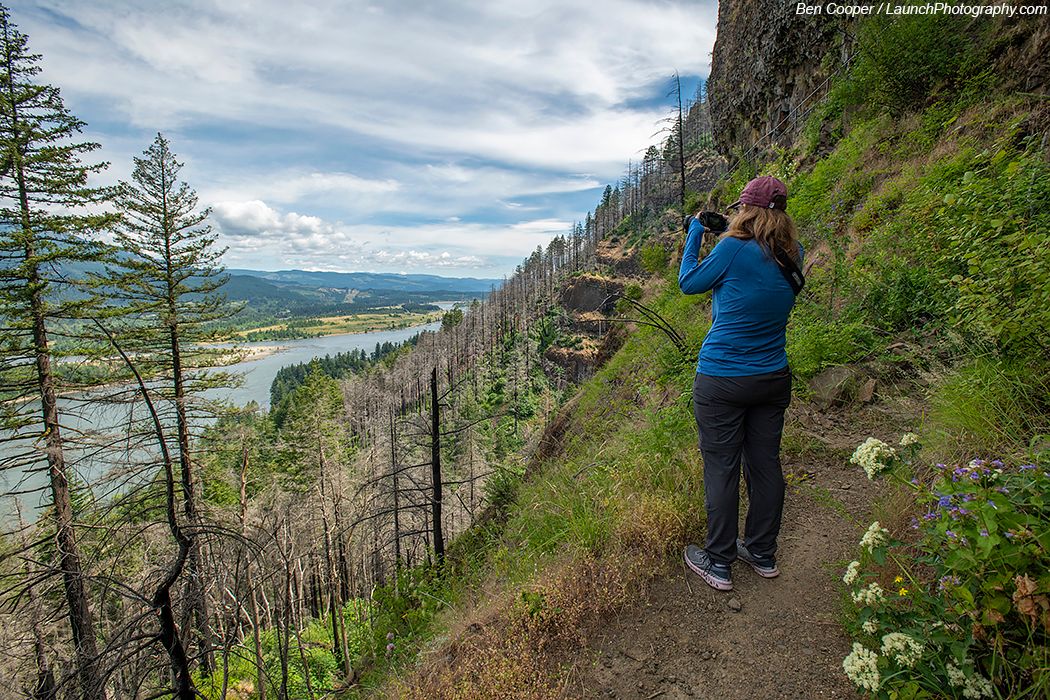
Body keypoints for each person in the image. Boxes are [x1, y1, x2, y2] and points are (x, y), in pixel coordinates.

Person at [678, 175, 803, 592]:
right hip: (772, 376)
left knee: (722, 467)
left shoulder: (732, 248)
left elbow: (689, 282)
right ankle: (762, 553)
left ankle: (718, 562)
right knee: (765, 465)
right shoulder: (793, 253)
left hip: (722, 378)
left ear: (745, 210)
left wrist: (696, 232)